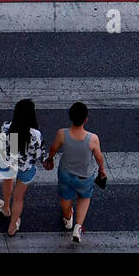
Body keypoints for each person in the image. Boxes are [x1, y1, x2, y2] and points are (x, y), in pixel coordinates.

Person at [44, 101, 107, 244]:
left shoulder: (62, 134)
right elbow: (99, 158)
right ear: (86, 119)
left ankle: (67, 219)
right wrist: (102, 171)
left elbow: (53, 148)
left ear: (70, 117)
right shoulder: (92, 138)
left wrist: (50, 159)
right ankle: (78, 227)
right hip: (85, 176)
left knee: (65, 198)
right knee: (84, 198)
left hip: (65, 174)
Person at [0, 99, 47, 237]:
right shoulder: (35, 135)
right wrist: (47, 162)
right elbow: (40, 154)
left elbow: (0, 148)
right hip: (25, 168)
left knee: (7, 183)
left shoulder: (6, 127)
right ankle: (12, 226)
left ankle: (5, 208)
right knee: (19, 198)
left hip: (8, 163)